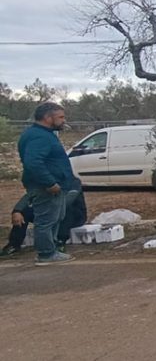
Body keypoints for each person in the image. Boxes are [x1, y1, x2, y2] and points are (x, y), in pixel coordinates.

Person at [17, 102, 77, 265]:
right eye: (60, 117)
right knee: (46, 220)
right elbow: (33, 162)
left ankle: (51, 250)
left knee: (55, 217)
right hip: (46, 187)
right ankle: (46, 254)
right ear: (47, 117)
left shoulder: (44, 134)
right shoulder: (39, 136)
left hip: (53, 185)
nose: (63, 120)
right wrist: (50, 182)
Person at [0, 181, 87, 258]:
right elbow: (29, 195)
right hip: (47, 213)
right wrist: (17, 211)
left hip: (73, 216)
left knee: (65, 210)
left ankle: (60, 242)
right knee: (24, 212)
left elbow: (67, 201)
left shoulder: (73, 181)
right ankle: (14, 245)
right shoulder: (44, 179)